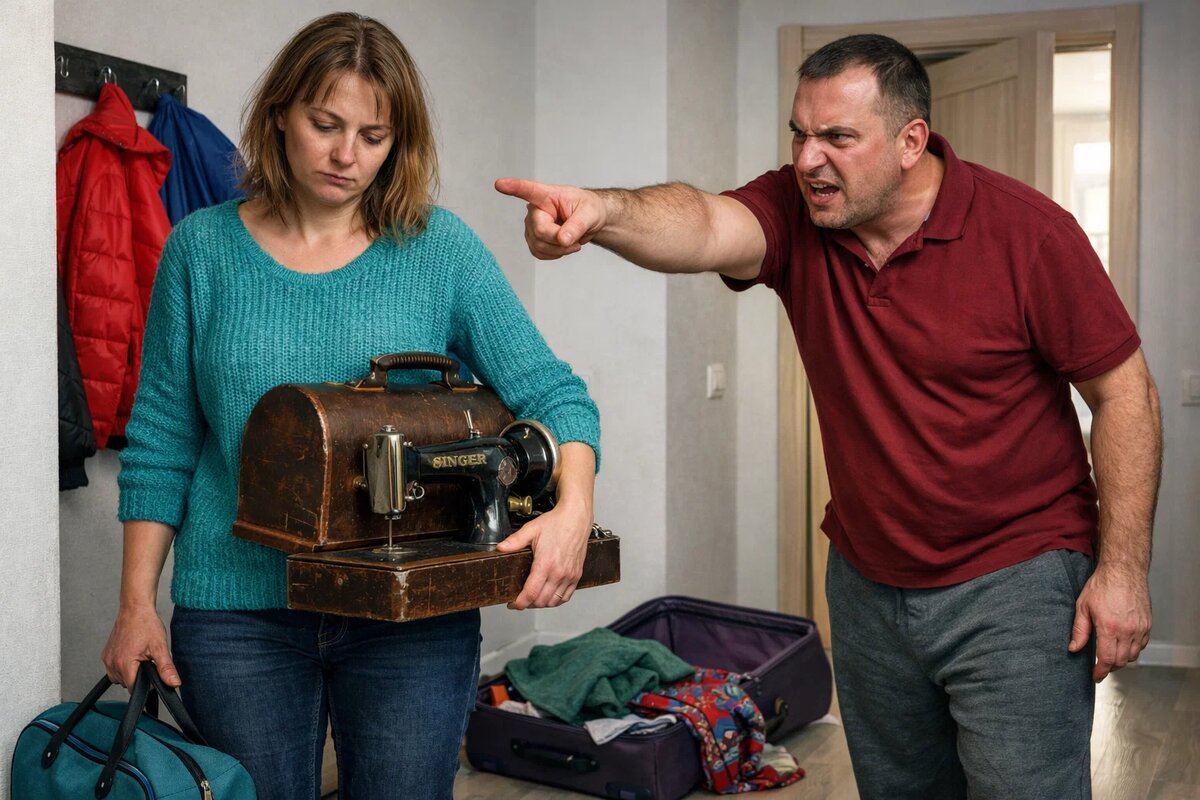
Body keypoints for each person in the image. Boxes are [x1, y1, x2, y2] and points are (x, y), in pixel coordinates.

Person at [495, 33, 1161, 800]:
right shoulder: (799, 210)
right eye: (799, 134)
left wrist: (1122, 572)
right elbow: (703, 225)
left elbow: (1126, 395)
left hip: (1016, 580)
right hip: (868, 584)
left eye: (838, 138)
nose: (809, 159)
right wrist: (602, 212)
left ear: (911, 141)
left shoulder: (1029, 234)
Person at [101, 12, 599, 800]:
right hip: (238, 618)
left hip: (411, 617)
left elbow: (553, 393)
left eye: (373, 136)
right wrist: (136, 605)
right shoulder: (201, 250)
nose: (346, 156)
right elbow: (164, 438)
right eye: (325, 124)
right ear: (280, 115)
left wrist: (574, 510)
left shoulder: (439, 249)